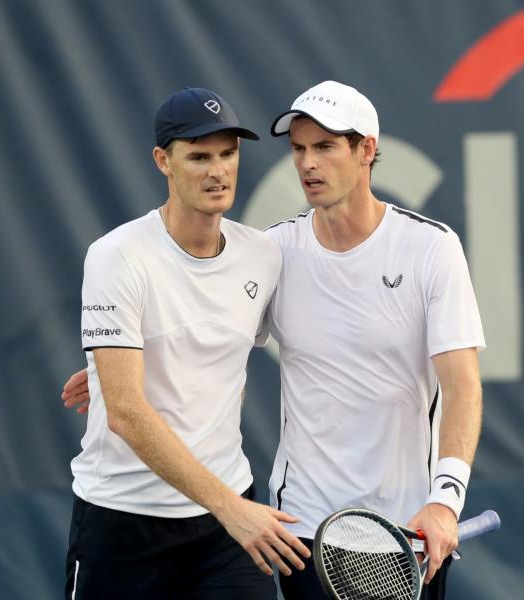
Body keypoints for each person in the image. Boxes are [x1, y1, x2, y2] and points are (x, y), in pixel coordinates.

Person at [63, 81, 484, 600]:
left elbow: (463, 386)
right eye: (299, 149)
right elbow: (195, 348)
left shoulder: (426, 248)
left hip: (399, 531)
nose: (308, 163)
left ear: (367, 151)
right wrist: (121, 369)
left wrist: (446, 499)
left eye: (325, 146)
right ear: (163, 162)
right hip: (295, 527)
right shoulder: (274, 249)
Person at [63, 87, 309, 599]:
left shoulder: (261, 255)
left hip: (226, 531)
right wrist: (117, 379)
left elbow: (222, 357)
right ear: (163, 162)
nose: (217, 171)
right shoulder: (116, 257)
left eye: (228, 153)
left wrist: (152, 368)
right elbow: (126, 413)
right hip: (125, 523)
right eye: (198, 156)